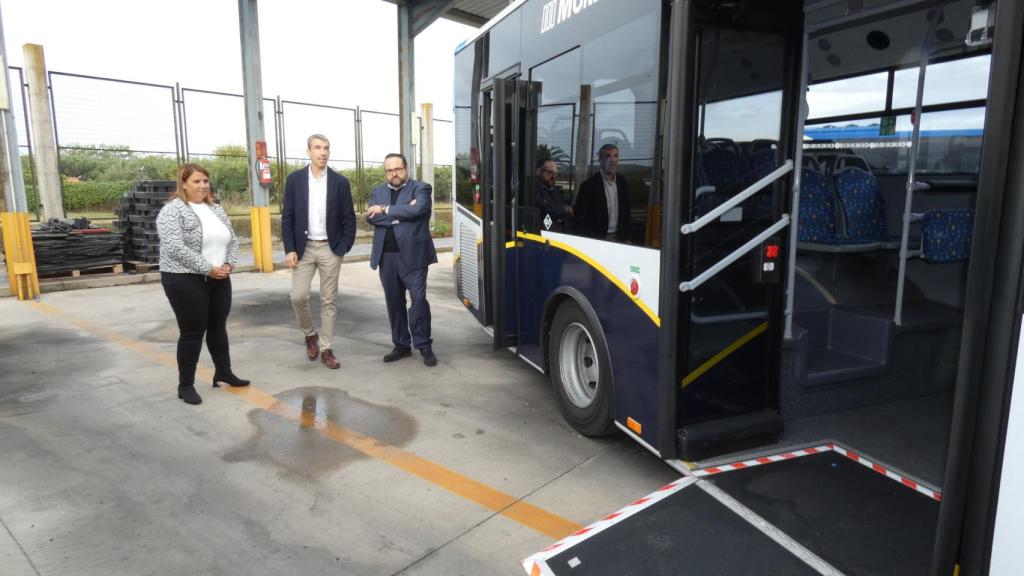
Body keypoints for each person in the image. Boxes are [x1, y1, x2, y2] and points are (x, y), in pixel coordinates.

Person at [157, 163, 249, 406]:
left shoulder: (216, 209)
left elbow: (233, 241)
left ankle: (224, 372)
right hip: (185, 278)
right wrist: (208, 268)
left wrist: (229, 264)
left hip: (219, 276)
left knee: (218, 327)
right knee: (193, 331)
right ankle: (185, 385)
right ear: (184, 184)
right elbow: (175, 248)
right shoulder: (172, 211)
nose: (203, 185)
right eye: (197, 181)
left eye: (205, 181)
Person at [282, 134, 357, 369]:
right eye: (317, 148)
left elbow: (349, 219)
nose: (322, 152)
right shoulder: (294, 180)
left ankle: (326, 348)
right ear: (308, 152)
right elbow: (288, 217)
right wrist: (290, 248)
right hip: (303, 249)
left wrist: (342, 248)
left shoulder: (340, 182)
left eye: (326, 148)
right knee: (298, 296)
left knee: (328, 301)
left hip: (330, 248)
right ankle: (309, 335)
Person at [366, 153, 439, 367]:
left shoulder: (421, 188)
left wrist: (386, 210)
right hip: (386, 257)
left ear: (406, 168)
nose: (394, 173)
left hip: (414, 257)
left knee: (418, 301)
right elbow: (371, 218)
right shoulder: (378, 191)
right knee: (394, 302)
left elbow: (420, 209)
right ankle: (401, 345)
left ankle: (424, 345)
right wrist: (403, 215)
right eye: (389, 170)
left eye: (398, 169)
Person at [573, 143, 631, 241]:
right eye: (608, 156)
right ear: (600, 160)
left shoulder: (622, 183)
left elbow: (627, 213)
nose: (612, 160)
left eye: (615, 156)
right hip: (597, 239)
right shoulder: (588, 186)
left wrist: (627, 238)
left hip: (620, 238)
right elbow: (580, 218)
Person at [535, 158, 573, 232]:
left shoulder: (556, 191)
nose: (553, 177)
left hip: (562, 233)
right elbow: (545, 209)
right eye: (550, 172)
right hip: (543, 234)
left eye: (555, 174)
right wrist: (565, 209)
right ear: (539, 172)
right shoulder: (533, 189)